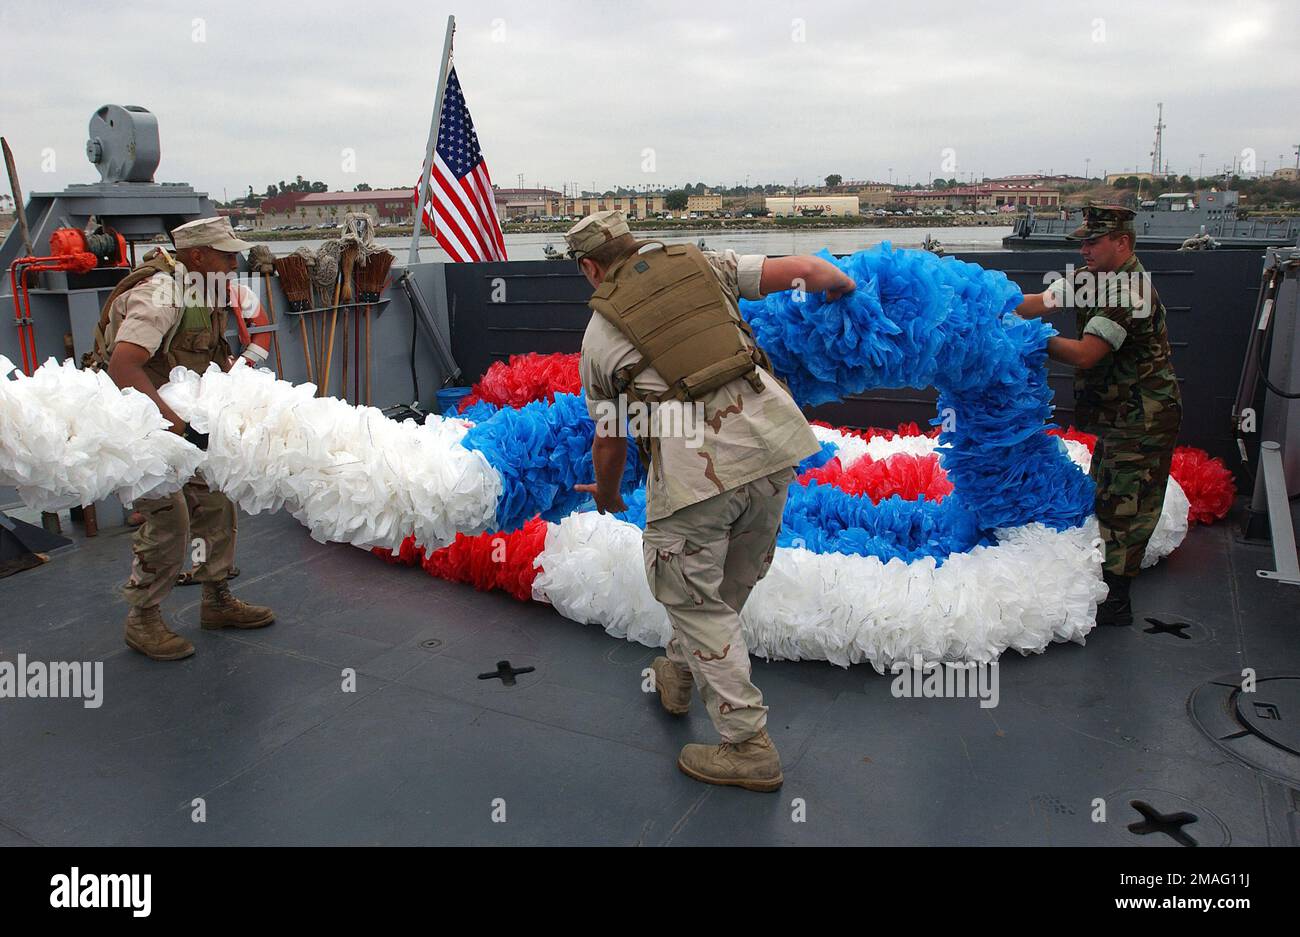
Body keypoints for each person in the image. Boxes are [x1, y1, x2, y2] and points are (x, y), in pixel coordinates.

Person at [565, 210, 856, 791]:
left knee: (691, 596)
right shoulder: (705, 263)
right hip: (774, 451)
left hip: (695, 479)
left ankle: (747, 745)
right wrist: (844, 288)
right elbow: (811, 270)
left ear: (590, 268)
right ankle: (676, 671)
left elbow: (610, 437)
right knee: (724, 588)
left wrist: (606, 493)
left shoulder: (598, 339)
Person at [99, 216, 276, 660]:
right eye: (226, 255)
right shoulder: (160, 296)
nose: (234, 264)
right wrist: (172, 425)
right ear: (196, 256)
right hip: (140, 419)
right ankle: (143, 618)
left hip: (184, 418)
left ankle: (215, 598)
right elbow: (124, 366)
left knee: (216, 497)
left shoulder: (206, 291)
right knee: (169, 517)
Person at [1014, 204, 1181, 626]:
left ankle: (1117, 601)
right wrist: (988, 309)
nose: (1084, 249)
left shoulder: (1130, 293)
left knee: (1126, 504)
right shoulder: (1093, 279)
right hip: (1120, 413)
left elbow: (1087, 355)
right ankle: (1106, 580)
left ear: (1122, 242)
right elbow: (1043, 300)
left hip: (1143, 416)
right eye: (1083, 242)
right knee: (1105, 491)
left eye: (1093, 241)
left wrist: (1033, 338)